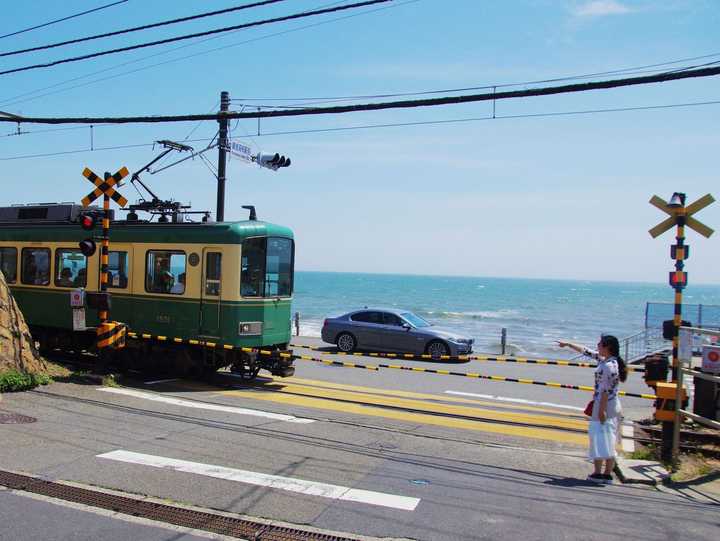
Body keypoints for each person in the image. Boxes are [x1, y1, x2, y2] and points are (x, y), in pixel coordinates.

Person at [556, 334, 627, 484]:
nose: (597, 346)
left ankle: (598, 473)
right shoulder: (609, 361)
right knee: (608, 438)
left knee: (598, 437)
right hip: (611, 404)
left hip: (604, 404)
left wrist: (601, 410)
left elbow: (605, 391)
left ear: (607, 347)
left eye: (600, 344)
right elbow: (586, 351)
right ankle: (607, 474)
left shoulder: (608, 366)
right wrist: (568, 343)